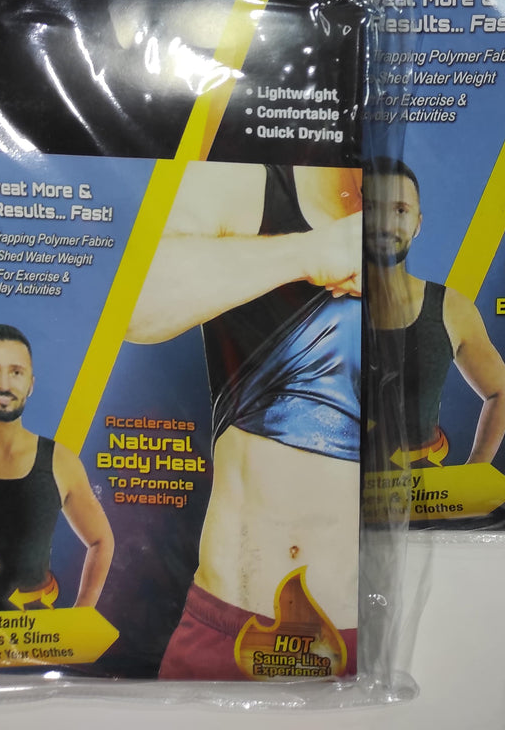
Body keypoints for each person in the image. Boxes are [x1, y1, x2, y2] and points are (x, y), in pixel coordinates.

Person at [125, 161, 363, 679]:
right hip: (233, 629)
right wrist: (308, 252)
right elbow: (131, 299)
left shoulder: (425, 205)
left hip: (366, 640)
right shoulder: (253, 180)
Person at [0, 324, 115, 611]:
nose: (4, 384)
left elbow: (101, 540)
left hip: (38, 636)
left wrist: (81, 614)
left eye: (16, 372)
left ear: (31, 383)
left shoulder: (61, 462)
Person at [363, 157, 505, 470]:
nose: (386, 223)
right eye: (371, 208)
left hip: (422, 489)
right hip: (335, 487)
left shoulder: (451, 307)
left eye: (400, 210)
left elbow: (500, 392)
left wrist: (473, 473)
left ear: (417, 224)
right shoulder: (315, 306)